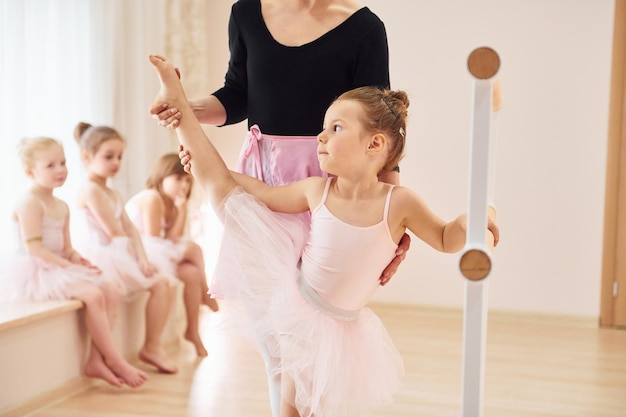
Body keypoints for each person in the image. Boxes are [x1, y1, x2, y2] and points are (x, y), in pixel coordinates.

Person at [148, 53, 499, 417]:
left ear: (374, 145)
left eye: (336, 128)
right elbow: (264, 194)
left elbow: (445, 238)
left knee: (311, 410)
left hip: (342, 326)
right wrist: (222, 172)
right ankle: (180, 112)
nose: (320, 136)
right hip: (299, 310)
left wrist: (478, 216)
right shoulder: (318, 190)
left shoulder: (399, 203)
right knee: (220, 187)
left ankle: (189, 128)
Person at [150, 0, 410, 285]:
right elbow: (237, 95)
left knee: (317, 295)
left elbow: (380, 123)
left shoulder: (364, 27)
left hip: (328, 176)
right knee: (262, 293)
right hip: (261, 170)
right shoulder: (245, 13)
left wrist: (390, 220)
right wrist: (185, 108)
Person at [0, 136, 148, 388]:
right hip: (38, 269)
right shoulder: (29, 202)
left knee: (110, 290)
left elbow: (66, 248)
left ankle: (96, 360)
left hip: (58, 264)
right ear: (29, 172)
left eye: (63, 163)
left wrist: (79, 260)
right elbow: (35, 250)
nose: (60, 170)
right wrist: (69, 266)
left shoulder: (61, 205)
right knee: (92, 295)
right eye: (51, 165)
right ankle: (114, 359)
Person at [73, 122, 178, 374]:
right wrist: (133, 260)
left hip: (118, 251)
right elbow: (114, 232)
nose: (116, 162)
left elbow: (130, 230)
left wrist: (142, 258)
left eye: (119, 156)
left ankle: (151, 346)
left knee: (163, 283)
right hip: (101, 254)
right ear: (87, 157)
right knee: (115, 297)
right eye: (108, 157)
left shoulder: (113, 192)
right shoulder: (90, 190)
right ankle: (99, 359)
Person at [125, 153, 219, 357]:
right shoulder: (152, 198)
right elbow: (154, 241)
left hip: (155, 251)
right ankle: (206, 293)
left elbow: (173, 237)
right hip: (139, 253)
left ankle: (192, 331)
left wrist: (182, 209)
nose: (184, 186)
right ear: (162, 176)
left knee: (193, 273)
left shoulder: (171, 203)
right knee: (194, 249)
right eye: (178, 179)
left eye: (187, 180)